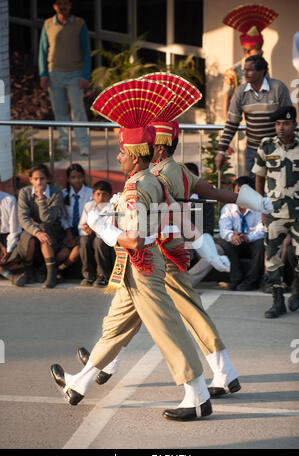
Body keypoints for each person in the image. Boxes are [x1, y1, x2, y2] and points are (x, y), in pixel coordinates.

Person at [79, 73, 274, 400]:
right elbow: (220, 193)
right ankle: (100, 367)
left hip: (157, 254)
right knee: (156, 311)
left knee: (154, 314)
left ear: (153, 146)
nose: (127, 150)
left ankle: (106, 366)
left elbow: (175, 216)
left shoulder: (153, 176)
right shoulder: (182, 171)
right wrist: (258, 201)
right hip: (168, 251)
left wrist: (206, 249)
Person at [51, 78, 214, 422]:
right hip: (139, 266)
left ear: (136, 154)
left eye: (122, 151)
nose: (118, 156)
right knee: (114, 329)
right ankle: (78, 384)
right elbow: (175, 214)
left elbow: (135, 239)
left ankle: (198, 395)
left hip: (143, 266)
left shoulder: (135, 188)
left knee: (166, 329)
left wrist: (101, 226)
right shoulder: (152, 179)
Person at [252, 105, 299, 318]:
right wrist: (262, 205)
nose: (281, 128)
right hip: (274, 211)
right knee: (272, 257)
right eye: (278, 124)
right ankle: (277, 300)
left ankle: (297, 289)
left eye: (286, 123)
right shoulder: (267, 146)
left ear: (294, 125)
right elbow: (259, 177)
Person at [216, 55, 292, 177]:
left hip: (277, 148)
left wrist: (286, 147)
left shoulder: (278, 88)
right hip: (253, 151)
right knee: (253, 190)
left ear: (261, 72)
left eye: (250, 70)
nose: (245, 73)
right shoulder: (241, 92)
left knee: (276, 188)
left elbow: (289, 117)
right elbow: (232, 123)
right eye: (244, 69)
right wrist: (221, 151)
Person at [38, 0, 91, 156]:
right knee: (59, 110)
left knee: (78, 110)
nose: (62, 6)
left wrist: (85, 75)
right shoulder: (47, 24)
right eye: (59, 3)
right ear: (54, 6)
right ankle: (63, 142)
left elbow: (86, 51)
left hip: (75, 73)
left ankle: (83, 144)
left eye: (65, 3)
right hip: (54, 73)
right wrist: (43, 73)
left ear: (70, 5)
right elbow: (42, 50)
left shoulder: (80, 24)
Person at [15, 164, 67, 289]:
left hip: (51, 230)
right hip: (31, 230)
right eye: (36, 179)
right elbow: (23, 218)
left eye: (42, 179)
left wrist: (41, 199)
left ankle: (51, 275)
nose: (39, 182)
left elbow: (48, 219)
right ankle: (29, 271)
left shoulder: (56, 193)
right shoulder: (24, 192)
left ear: (48, 179)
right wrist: (36, 232)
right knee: (33, 236)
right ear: (30, 180)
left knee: (45, 229)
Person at [222, 4, 278, 119]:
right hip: (243, 123)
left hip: (264, 120)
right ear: (248, 50)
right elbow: (226, 99)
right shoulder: (233, 72)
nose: (262, 52)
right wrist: (227, 123)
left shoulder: (263, 70)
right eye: (257, 49)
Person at [217, 176, 265, 291]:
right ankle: (236, 278)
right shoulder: (228, 208)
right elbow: (224, 229)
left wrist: (248, 237)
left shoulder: (259, 207)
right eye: (237, 191)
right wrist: (232, 235)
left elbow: (262, 229)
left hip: (251, 242)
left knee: (261, 244)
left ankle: (252, 280)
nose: (240, 195)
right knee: (224, 242)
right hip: (236, 242)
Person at [184, 163, 228, 287]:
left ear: (197, 178)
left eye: (191, 177)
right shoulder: (174, 198)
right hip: (177, 240)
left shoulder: (205, 200)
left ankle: (187, 282)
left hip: (199, 240)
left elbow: (207, 228)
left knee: (217, 250)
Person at [78, 180, 115, 287]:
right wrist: (86, 228)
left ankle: (103, 275)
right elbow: (81, 226)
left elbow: (108, 227)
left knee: (98, 242)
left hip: (105, 237)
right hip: (92, 234)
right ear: (93, 195)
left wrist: (94, 228)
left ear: (109, 196)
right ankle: (88, 275)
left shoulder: (112, 207)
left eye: (104, 194)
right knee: (84, 240)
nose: (101, 197)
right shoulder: (88, 206)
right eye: (98, 194)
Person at [59, 163, 93, 275]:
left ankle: (59, 270)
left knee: (75, 253)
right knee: (63, 253)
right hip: (68, 232)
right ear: (68, 179)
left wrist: (78, 238)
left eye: (80, 177)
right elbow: (63, 217)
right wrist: (69, 234)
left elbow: (91, 218)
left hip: (84, 233)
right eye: (73, 177)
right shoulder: (63, 194)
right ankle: (47, 270)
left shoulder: (91, 194)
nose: (77, 180)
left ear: (84, 177)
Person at [0, 190, 25, 286]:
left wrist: (9, 250)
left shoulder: (9, 200)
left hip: (7, 237)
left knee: (20, 251)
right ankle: (10, 275)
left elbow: (14, 229)